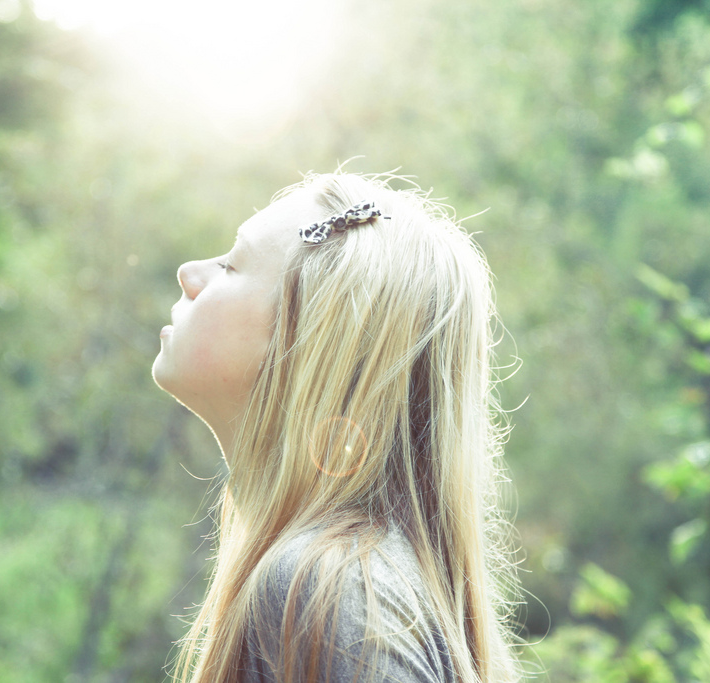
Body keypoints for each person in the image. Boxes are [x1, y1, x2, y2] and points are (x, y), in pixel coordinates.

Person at [152, 171, 523, 683]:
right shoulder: (351, 579)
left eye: (232, 264)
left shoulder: (322, 586)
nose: (189, 273)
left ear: (311, 340)